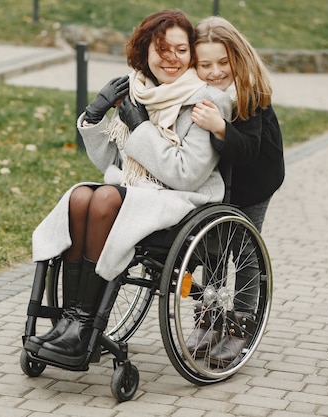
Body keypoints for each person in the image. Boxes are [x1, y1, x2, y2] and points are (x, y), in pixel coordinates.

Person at [26, 9, 232, 367]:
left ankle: (83, 328)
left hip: (182, 200)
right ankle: (70, 323)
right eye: (161, 48)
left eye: (181, 50)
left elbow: (186, 174)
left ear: (192, 55)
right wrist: (94, 114)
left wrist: (140, 129)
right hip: (137, 193)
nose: (170, 58)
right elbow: (113, 162)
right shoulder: (137, 91)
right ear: (144, 52)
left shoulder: (205, 99)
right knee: (79, 197)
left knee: (105, 196)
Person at [187, 15, 285, 364]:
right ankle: (209, 318)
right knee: (213, 247)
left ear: (237, 58)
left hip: (256, 177)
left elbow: (246, 150)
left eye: (222, 62)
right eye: (205, 64)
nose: (215, 71)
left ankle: (240, 326)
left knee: (243, 248)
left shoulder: (249, 91)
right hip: (220, 180)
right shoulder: (195, 90)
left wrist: (220, 128)